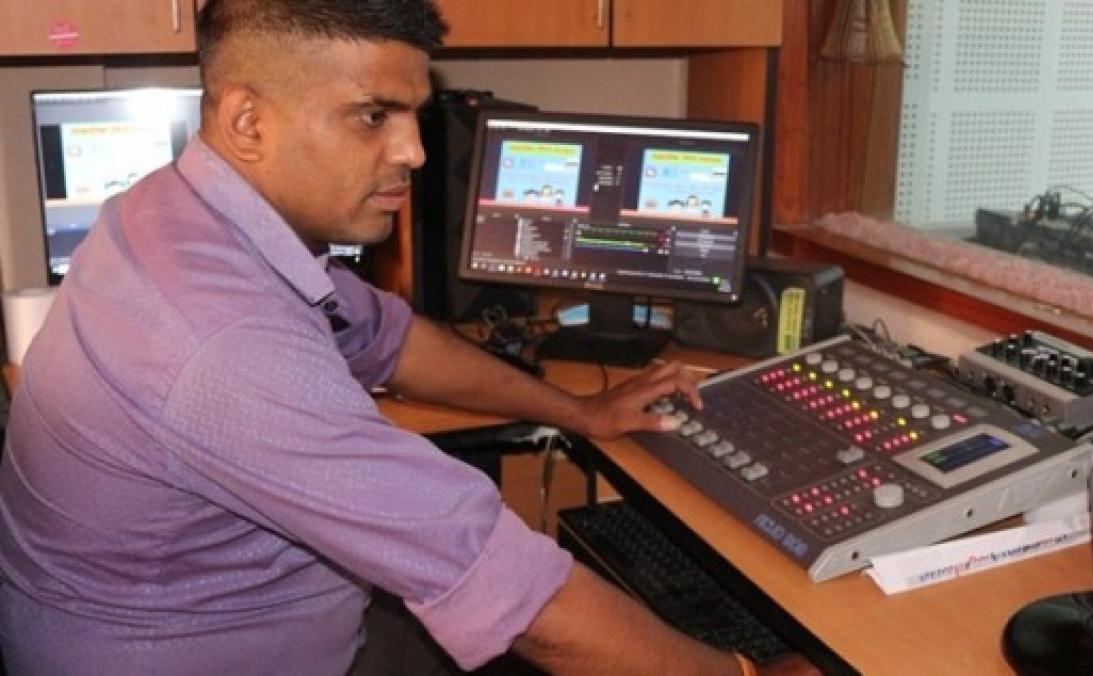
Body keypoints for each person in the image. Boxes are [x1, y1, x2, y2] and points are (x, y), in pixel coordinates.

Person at [0, 1, 817, 675]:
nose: (414, 152)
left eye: (415, 116)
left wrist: (581, 411)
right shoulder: (223, 345)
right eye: (372, 117)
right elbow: (514, 590)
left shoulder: (170, 213)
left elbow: (387, 338)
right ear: (248, 121)